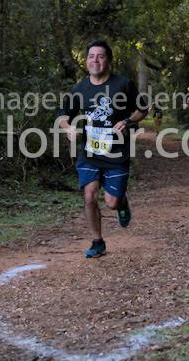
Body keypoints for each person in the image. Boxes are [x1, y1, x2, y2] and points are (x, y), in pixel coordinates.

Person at [57, 40, 148, 258]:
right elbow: (62, 115)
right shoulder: (80, 88)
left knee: (111, 203)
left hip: (117, 153)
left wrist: (127, 121)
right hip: (90, 153)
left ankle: (122, 201)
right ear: (86, 61)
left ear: (108, 61)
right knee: (89, 196)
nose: (95, 60)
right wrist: (68, 127)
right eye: (91, 56)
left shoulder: (123, 84)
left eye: (100, 56)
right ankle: (97, 242)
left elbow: (142, 109)